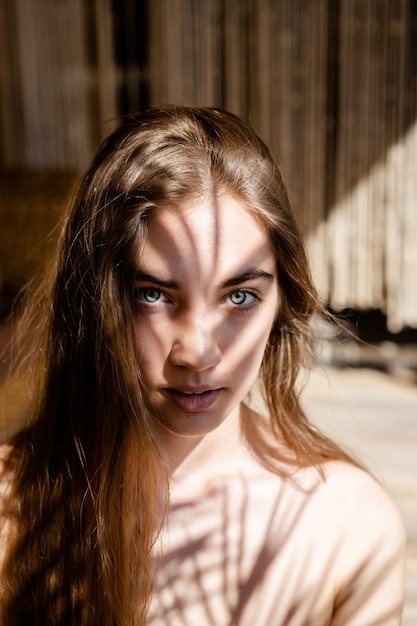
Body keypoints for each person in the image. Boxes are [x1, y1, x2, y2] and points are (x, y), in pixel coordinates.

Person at [0, 105, 405, 625]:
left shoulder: (349, 528)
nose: (197, 352)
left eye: (239, 297)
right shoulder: (14, 508)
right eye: (153, 294)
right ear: (95, 302)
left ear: (283, 298)